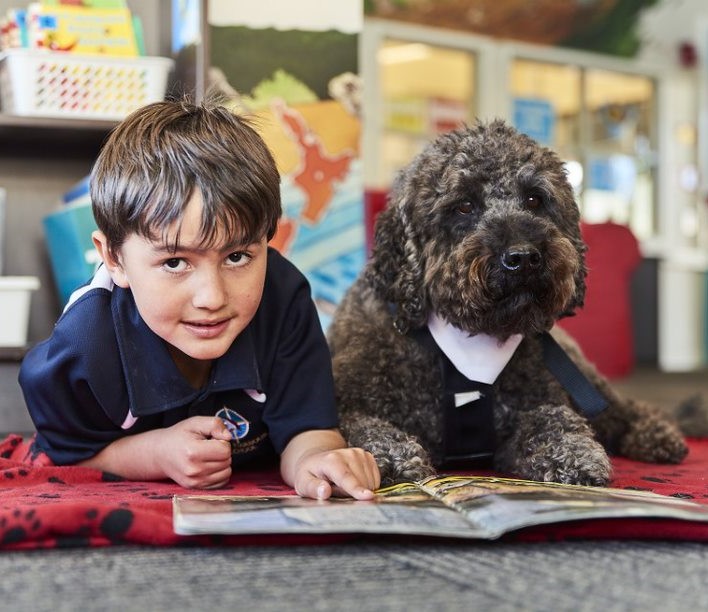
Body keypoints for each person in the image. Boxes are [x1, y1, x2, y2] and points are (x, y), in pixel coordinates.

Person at [19, 98, 380, 500]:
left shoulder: (284, 298)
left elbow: (307, 428)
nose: (212, 297)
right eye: (175, 262)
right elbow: (66, 455)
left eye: (237, 256)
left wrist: (317, 461)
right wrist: (155, 453)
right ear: (113, 258)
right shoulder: (81, 347)